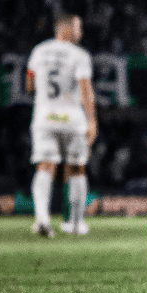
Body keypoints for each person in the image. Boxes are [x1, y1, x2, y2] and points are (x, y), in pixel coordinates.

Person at [26, 13, 97, 236]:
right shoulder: (79, 55)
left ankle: (42, 219)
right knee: (77, 169)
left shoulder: (38, 51)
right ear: (65, 29)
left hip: (45, 117)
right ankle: (76, 224)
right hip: (72, 119)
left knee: (45, 166)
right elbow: (85, 90)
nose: (81, 32)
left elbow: (29, 84)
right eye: (78, 28)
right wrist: (92, 120)